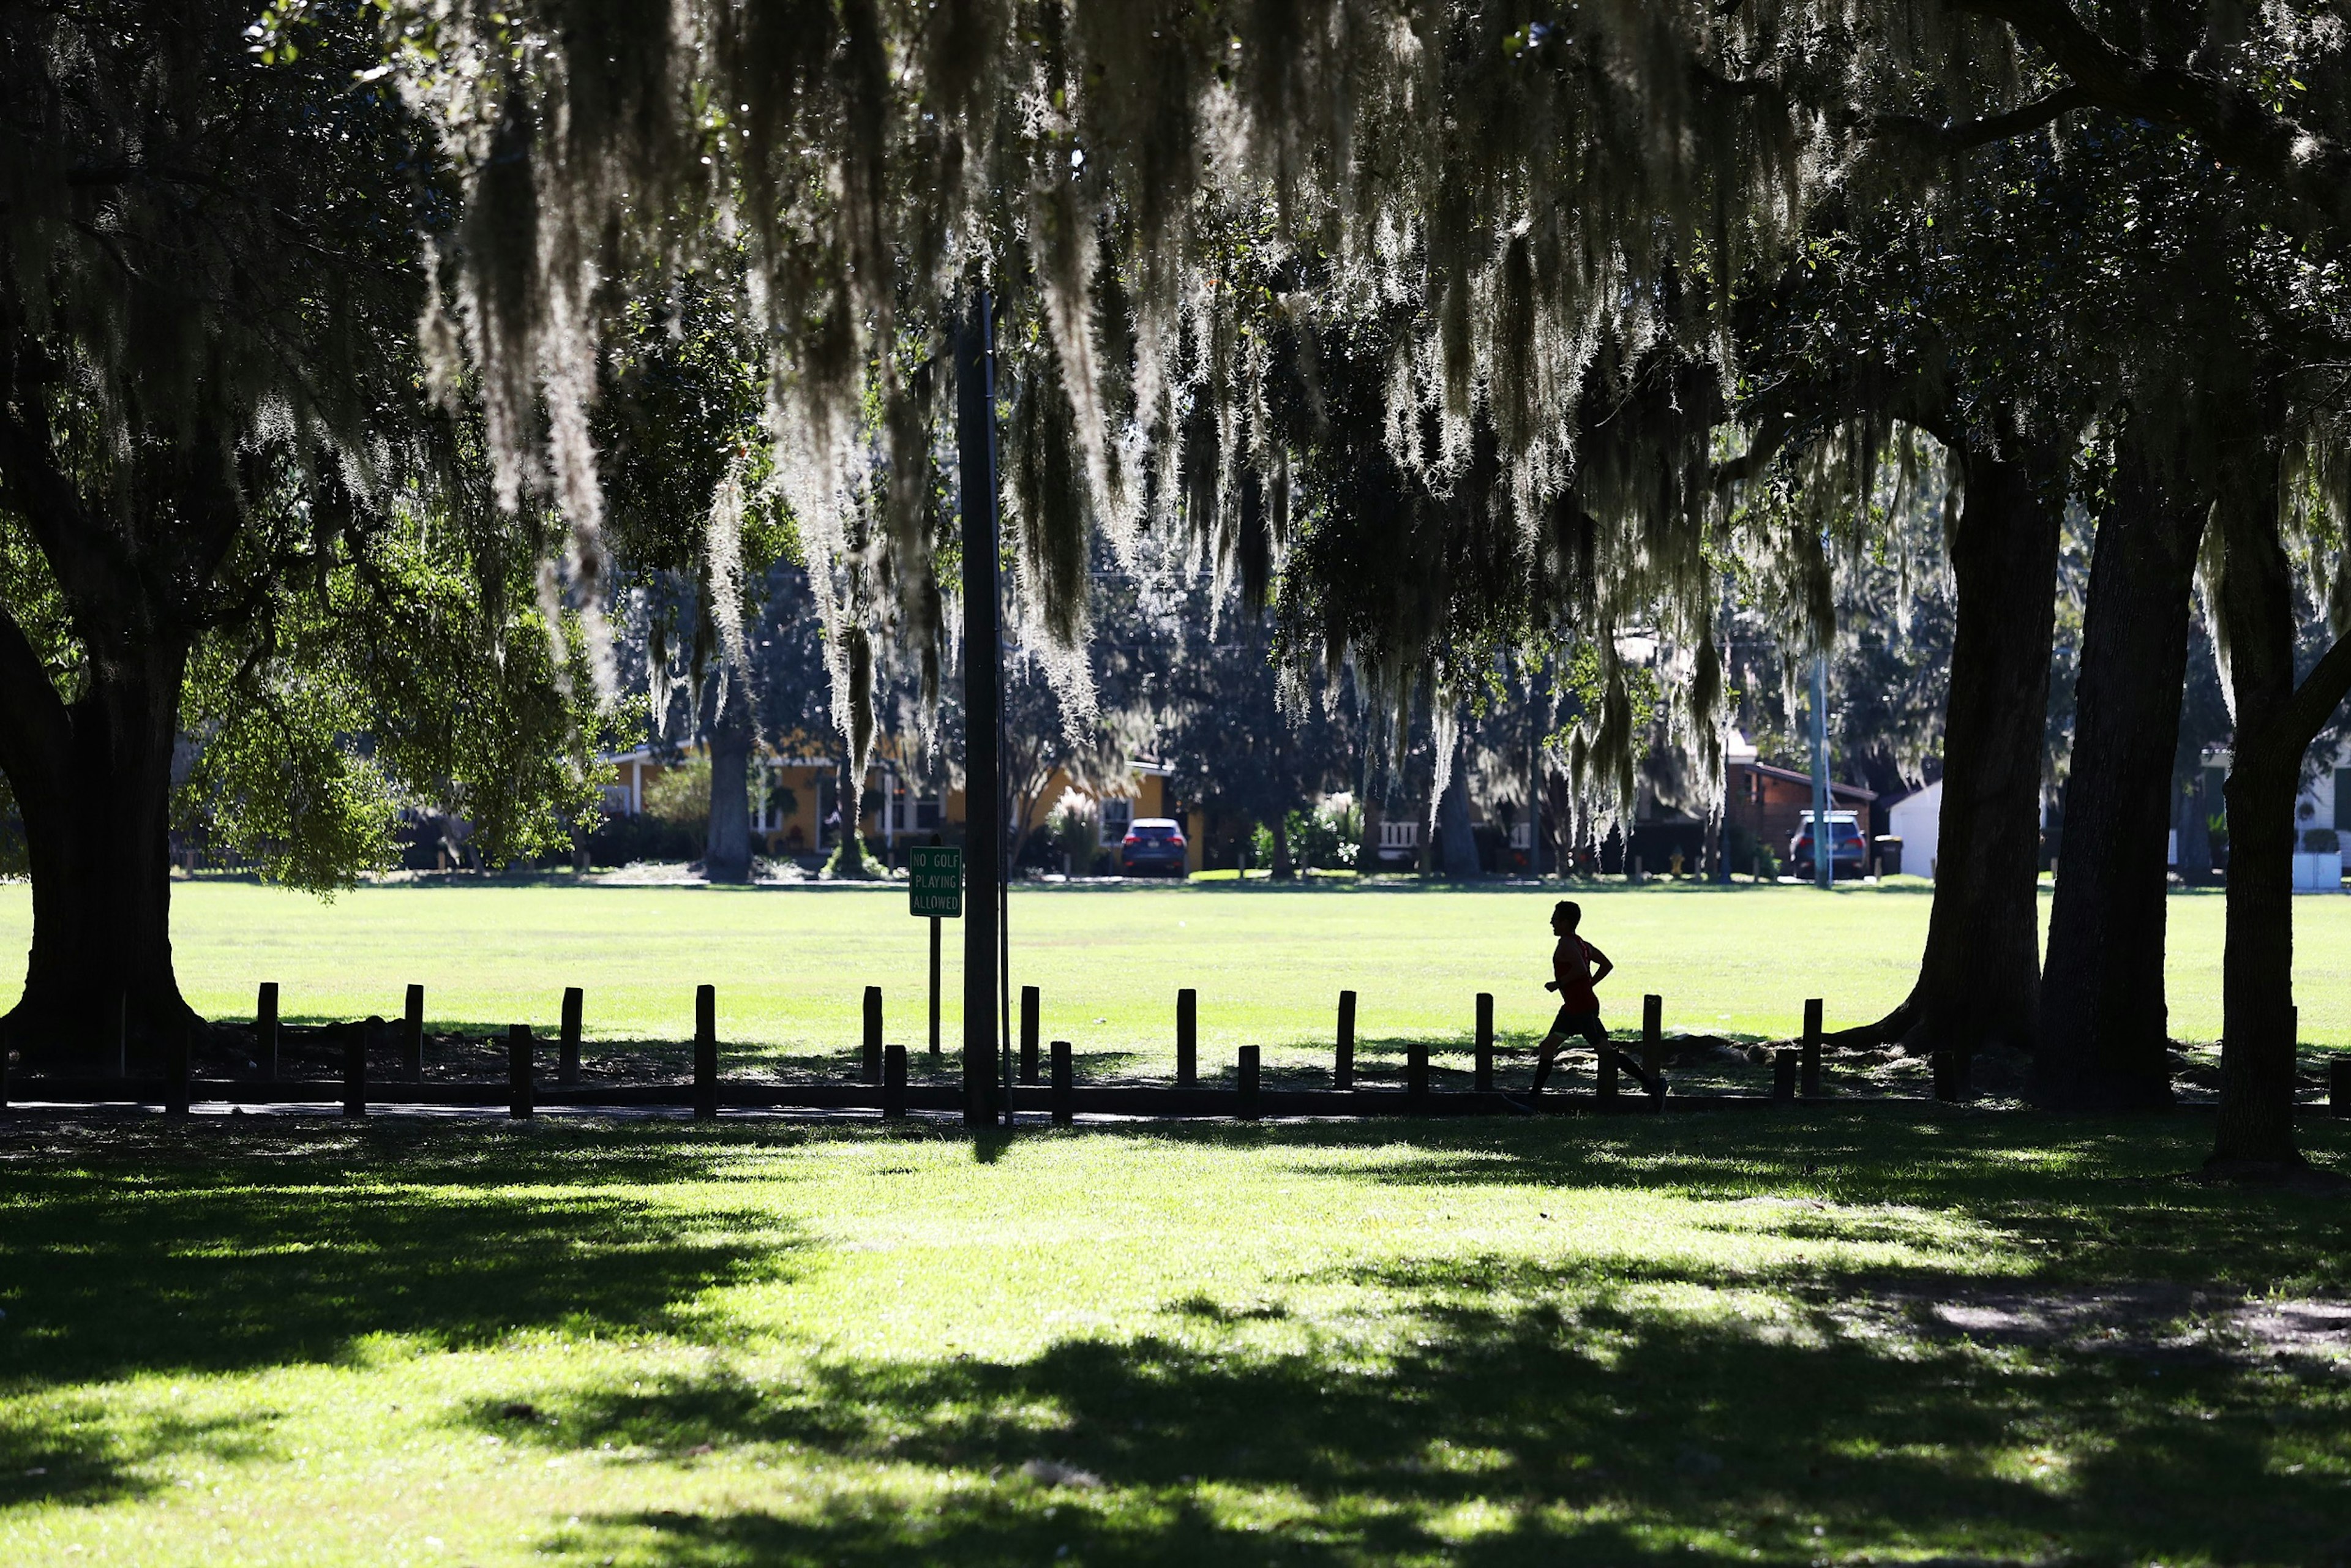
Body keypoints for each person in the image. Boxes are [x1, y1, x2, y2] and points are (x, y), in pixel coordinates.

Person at [1531, 899, 1613, 1094]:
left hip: (1582, 1009)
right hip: (1572, 1008)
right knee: (1547, 1047)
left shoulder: (1567, 944)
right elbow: (1606, 965)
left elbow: (1580, 968)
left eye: (1555, 919)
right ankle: (1533, 1098)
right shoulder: (1583, 944)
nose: (1552, 922)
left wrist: (1558, 984)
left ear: (1566, 922)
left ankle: (1652, 1086)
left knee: (1606, 1051)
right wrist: (1589, 984)